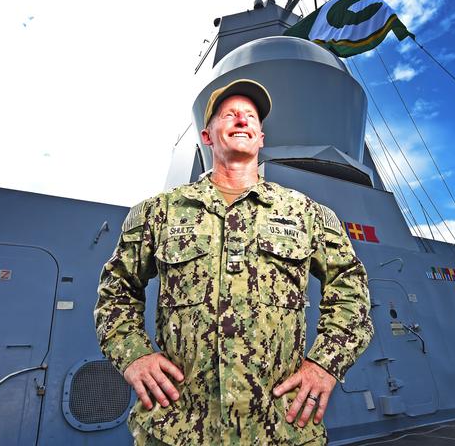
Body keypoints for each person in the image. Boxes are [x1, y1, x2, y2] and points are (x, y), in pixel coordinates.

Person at [94, 79, 373, 445]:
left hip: (281, 430)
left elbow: (351, 287)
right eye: (229, 115)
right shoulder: (158, 213)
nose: (241, 120)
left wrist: (325, 364)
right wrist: (134, 356)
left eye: (250, 116)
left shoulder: (306, 213)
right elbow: (116, 292)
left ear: (260, 138)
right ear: (207, 136)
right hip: (179, 430)